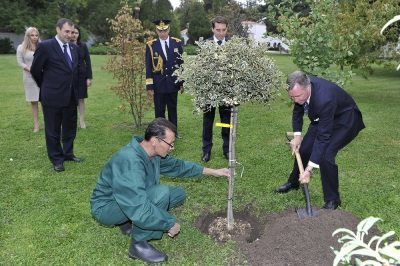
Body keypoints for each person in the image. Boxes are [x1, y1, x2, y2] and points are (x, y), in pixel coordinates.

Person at [90, 117, 230, 264]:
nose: (172, 148)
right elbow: (138, 206)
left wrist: (214, 172)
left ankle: (127, 221)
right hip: (106, 207)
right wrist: (168, 223)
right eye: (170, 144)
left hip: (126, 199)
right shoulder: (129, 161)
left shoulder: (151, 153)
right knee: (161, 194)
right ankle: (138, 245)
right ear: (155, 140)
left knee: (177, 195)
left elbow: (178, 166)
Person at [275, 71, 365, 210]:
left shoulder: (325, 99)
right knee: (304, 149)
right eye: (291, 97)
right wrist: (297, 136)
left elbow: (323, 137)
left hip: (345, 120)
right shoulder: (299, 91)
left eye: (298, 96)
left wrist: (309, 170)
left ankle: (333, 200)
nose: (295, 101)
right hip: (324, 118)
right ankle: (293, 183)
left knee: (326, 154)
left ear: (307, 87)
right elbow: (298, 111)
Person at [31, 18, 82, 172]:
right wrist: (47, 86)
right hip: (52, 97)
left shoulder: (74, 48)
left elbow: (74, 71)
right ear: (58, 30)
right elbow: (35, 70)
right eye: (66, 31)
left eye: (72, 32)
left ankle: (68, 153)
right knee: (53, 130)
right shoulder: (46, 46)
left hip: (71, 97)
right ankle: (57, 159)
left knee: (69, 128)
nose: (69, 35)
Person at [145, 19, 184, 135]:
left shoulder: (177, 43)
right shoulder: (151, 46)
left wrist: (182, 82)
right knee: (159, 110)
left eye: (165, 30)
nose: (163, 33)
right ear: (156, 30)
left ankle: (173, 132)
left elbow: (181, 64)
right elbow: (148, 66)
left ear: (169, 29)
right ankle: (160, 133)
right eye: (160, 31)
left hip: (173, 83)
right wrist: (150, 86)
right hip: (159, 84)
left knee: (173, 109)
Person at [201, 16, 231, 162]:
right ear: (212, 29)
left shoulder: (232, 45)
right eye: (218, 30)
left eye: (223, 30)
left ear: (227, 29)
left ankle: (227, 150)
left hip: (227, 92)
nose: (221, 33)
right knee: (208, 122)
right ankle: (206, 150)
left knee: (226, 122)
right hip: (209, 92)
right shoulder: (205, 44)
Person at [16, 27, 41, 132]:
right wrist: (30, 69)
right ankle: (36, 125)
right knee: (34, 102)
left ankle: (50, 123)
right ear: (28, 36)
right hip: (29, 78)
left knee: (45, 101)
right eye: (32, 35)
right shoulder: (21, 48)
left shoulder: (41, 46)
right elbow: (20, 62)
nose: (34, 37)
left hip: (42, 77)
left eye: (36, 35)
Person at [70, 25, 93, 129]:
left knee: (81, 99)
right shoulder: (66, 45)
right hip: (69, 76)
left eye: (76, 33)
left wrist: (89, 78)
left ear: (79, 35)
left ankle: (82, 121)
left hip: (81, 76)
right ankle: (71, 121)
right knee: (70, 99)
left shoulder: (83, 45)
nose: (74, 35)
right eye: (72, 32)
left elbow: (88, 62)